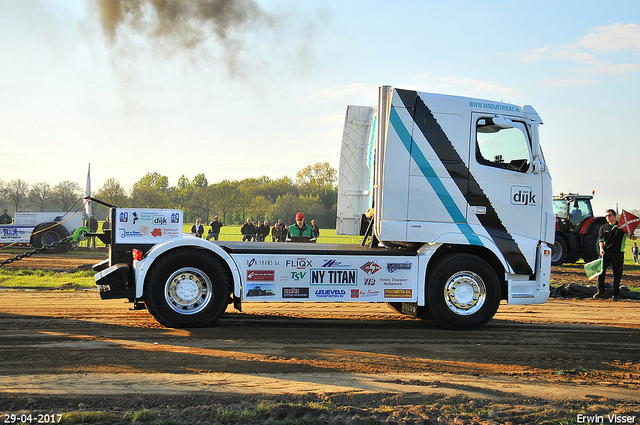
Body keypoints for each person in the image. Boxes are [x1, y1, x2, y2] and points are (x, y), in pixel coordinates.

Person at [594, 209, 637, 301]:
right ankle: (601, 291)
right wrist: (601, 249)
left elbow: (631, 236)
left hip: (618, 254)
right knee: (601, 273)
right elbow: (601, 240)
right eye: (606, 216)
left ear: (614, 216)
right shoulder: (603, 228)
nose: (607, 217)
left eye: (609, 215)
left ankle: (616, 294)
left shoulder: (622, 227)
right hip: (606, 253)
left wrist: (633, 237)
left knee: (617, 274)